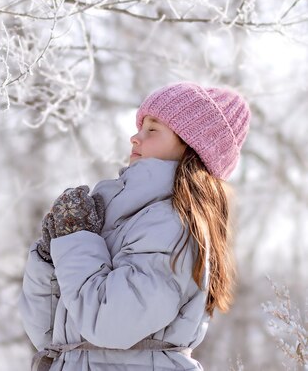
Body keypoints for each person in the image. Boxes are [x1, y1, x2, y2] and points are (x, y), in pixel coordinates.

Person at [18, 81, 251, 371]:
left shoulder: (173, 224)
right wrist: (51, 256)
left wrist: (76, 239)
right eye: (140, 127)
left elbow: (110, 324)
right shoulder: (119, 215)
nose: (135, 137)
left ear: (192, 148)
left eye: (152, 130)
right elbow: (48, 334)